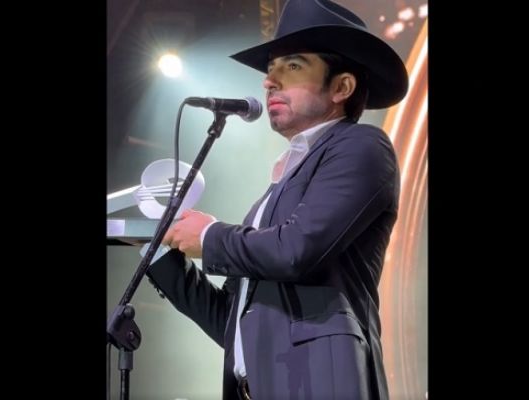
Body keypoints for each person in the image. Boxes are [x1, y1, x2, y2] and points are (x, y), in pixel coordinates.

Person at [147, 0, 408, 398]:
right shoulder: (272, 194)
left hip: (320, 385)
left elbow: (296, 248)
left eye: (293, 66)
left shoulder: (363, 145)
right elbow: (233, 321)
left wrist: (210, 235)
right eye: (271, 69)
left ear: (341, 87)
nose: (270, 81)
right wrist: (159, 252)